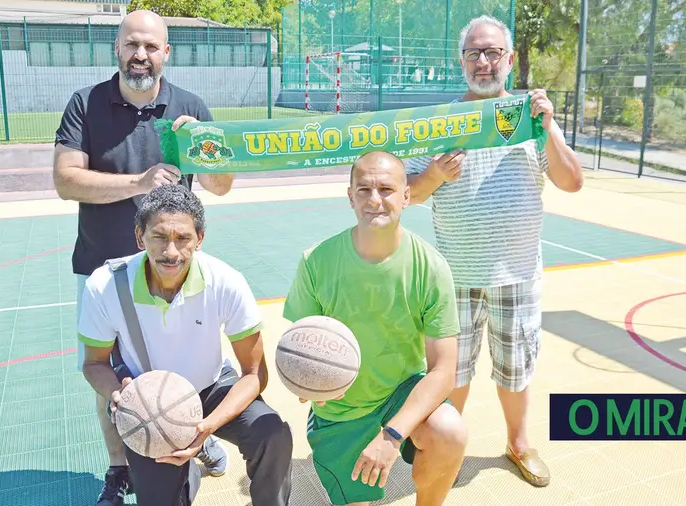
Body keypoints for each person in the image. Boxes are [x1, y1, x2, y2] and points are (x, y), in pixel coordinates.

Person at [52, 10, 234, 505]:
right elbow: (66, 180)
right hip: (103, 271)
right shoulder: (86, 104)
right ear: (117, 47)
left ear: (166, 53)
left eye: (152, 47)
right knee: (110, 378)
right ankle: (118, 469)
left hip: (173, 269)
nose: (141, 55)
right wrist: (137, 183)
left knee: (185, 366)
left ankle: (197, 434)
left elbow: (222, 185)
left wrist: (203, 147)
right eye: (132, 44)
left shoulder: (190, 106)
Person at [404, 15, 584, 488]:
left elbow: (572, 181)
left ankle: (519, 444)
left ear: (508, 60)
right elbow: (409, 193)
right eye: (473, 53)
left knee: (516, 369)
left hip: (518, 274)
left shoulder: (529, 118)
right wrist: (435, 176)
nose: (483, 62)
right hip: (455, 277)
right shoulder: (441, 122)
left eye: (492, 53)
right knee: (451, 373)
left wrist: (548, 127)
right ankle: (451, 445)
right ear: (460, 60)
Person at [78, 184, 293, 506]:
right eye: (159, 237)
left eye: (183, 239)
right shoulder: (105, 285)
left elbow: (253, 374)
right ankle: (186, 472)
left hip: (210, 386)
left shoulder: (225, 281)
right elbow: (94, 363)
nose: (171, 252)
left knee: (273, 434)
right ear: (140, 236)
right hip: (149, 401)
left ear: (200, 239)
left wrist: (206, 427)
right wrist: (118, 394)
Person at [282, 151, 468, 506]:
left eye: (386, 188)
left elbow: (444, 371)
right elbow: (297, 346)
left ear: (407, 196)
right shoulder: (316, 261)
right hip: (342, 406)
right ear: (350, 196)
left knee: (450, 431)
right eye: (364, 189)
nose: (375, 199)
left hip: (400, 389)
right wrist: (308, 384)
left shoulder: (431, 267)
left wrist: (393, 435)